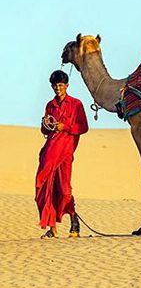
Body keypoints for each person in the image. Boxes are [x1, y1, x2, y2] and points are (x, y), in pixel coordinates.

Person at [35, 70, 88, 238]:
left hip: (65, 154)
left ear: (66, 86)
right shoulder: (50, 105)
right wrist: (45, 125)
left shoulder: (76, 104)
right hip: (49, 153)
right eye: (55, 86)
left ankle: (73, 217)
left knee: (65, 191)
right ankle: (52, 229)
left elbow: (83, 127)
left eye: (60, 85)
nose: (58, 88)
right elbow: (45, 130)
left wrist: (64, 127)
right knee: (46, 188)